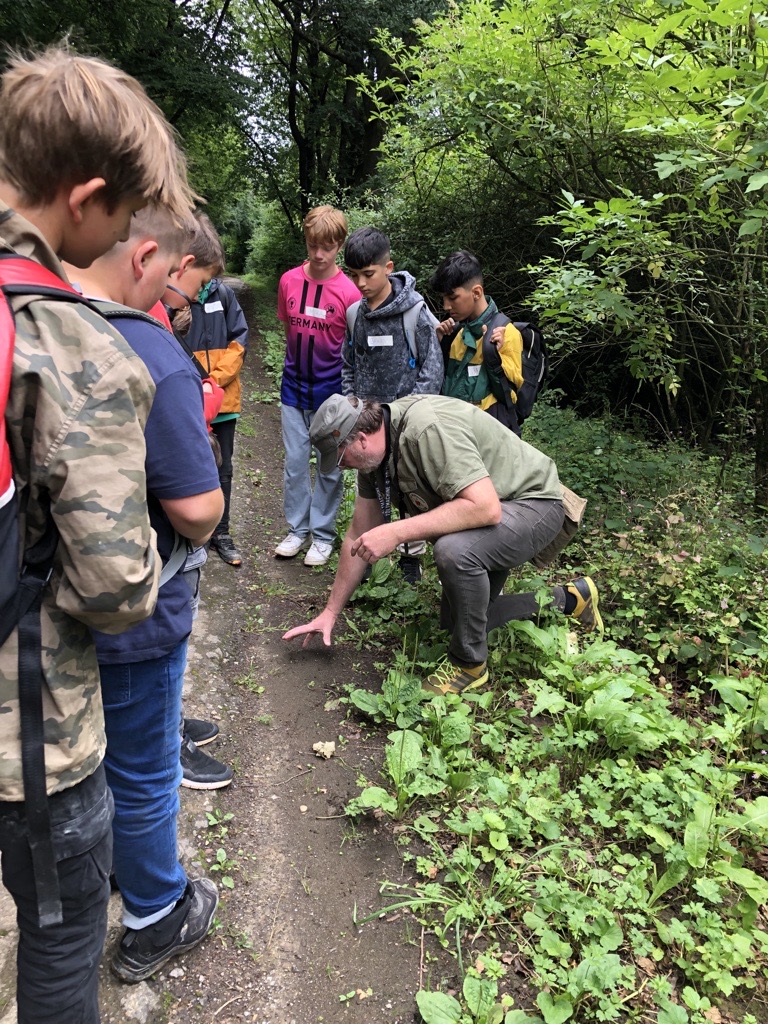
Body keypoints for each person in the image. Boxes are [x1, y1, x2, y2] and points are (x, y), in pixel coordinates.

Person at [0, 45, 193, 1024]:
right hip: (28, 728)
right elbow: (118, 586)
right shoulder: (71, 338)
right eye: (122, 216)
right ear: (85, 197)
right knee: (65, 933)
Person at [68, 204, 227, 983]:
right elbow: (197, 511)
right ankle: (156, 914)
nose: (174, 291)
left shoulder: (45, 329)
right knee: (143, 766)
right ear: (144, 256)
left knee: (94, 759)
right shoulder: (150, 351)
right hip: (138, 607)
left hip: (56, 607)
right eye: (170, 271)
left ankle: (107, 874)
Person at [283, 394, 602, 695]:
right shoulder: (375, 462)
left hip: (534, 505)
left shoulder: (425, 429)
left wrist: (396, 532)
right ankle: (572, 599)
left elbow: (485, 507)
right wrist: (329, 612)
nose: (341, 468)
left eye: (340, 459)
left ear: (361, 439)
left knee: (453, 552)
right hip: (496, 515)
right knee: (461, 621)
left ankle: (470, 665)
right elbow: (357, 535)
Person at [342, 228, 444, 582]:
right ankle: (368, 556)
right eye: (354, 275)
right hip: (366, 427)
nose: (361, 283)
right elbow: (349, 365)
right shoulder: (354, 314)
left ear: (389, 267)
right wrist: (352, 410)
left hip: (406, 426)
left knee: (409, 491)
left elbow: (431, 374)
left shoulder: (415, 313)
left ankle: (410, 557)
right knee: (369, 492)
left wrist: (408, 420)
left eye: (368, 274)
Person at [274, 205, 361, 567]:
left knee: (329, 468)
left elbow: (355, 350)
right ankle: (297, 529)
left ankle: (322, 536)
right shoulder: (288, 281)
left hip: (332, 398)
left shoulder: (350, 294)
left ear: (339, 245)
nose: (319, 254)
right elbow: (287, 329)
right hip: (293, 390)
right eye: (312, 246)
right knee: (295, 463)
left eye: (327, 247)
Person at [165, 214, 249, 568]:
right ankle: (191, 534)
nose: (203, 288)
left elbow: (239, 341)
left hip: (223, 400)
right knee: (190, 461)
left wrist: (214, 380)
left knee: (223, 466)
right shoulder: (169, 298)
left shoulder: (224, 294)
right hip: (189, 402)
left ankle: (222, 533)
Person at [430, 250, 528, 436]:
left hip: (490, 434)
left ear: (476, 292)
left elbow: (510, 396)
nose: (446, 306)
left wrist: (495, 357)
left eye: (452, 297)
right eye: (443, 298)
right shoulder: (455, 334)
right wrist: (440, 344)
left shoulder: (506, 333)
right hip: (454, 431)